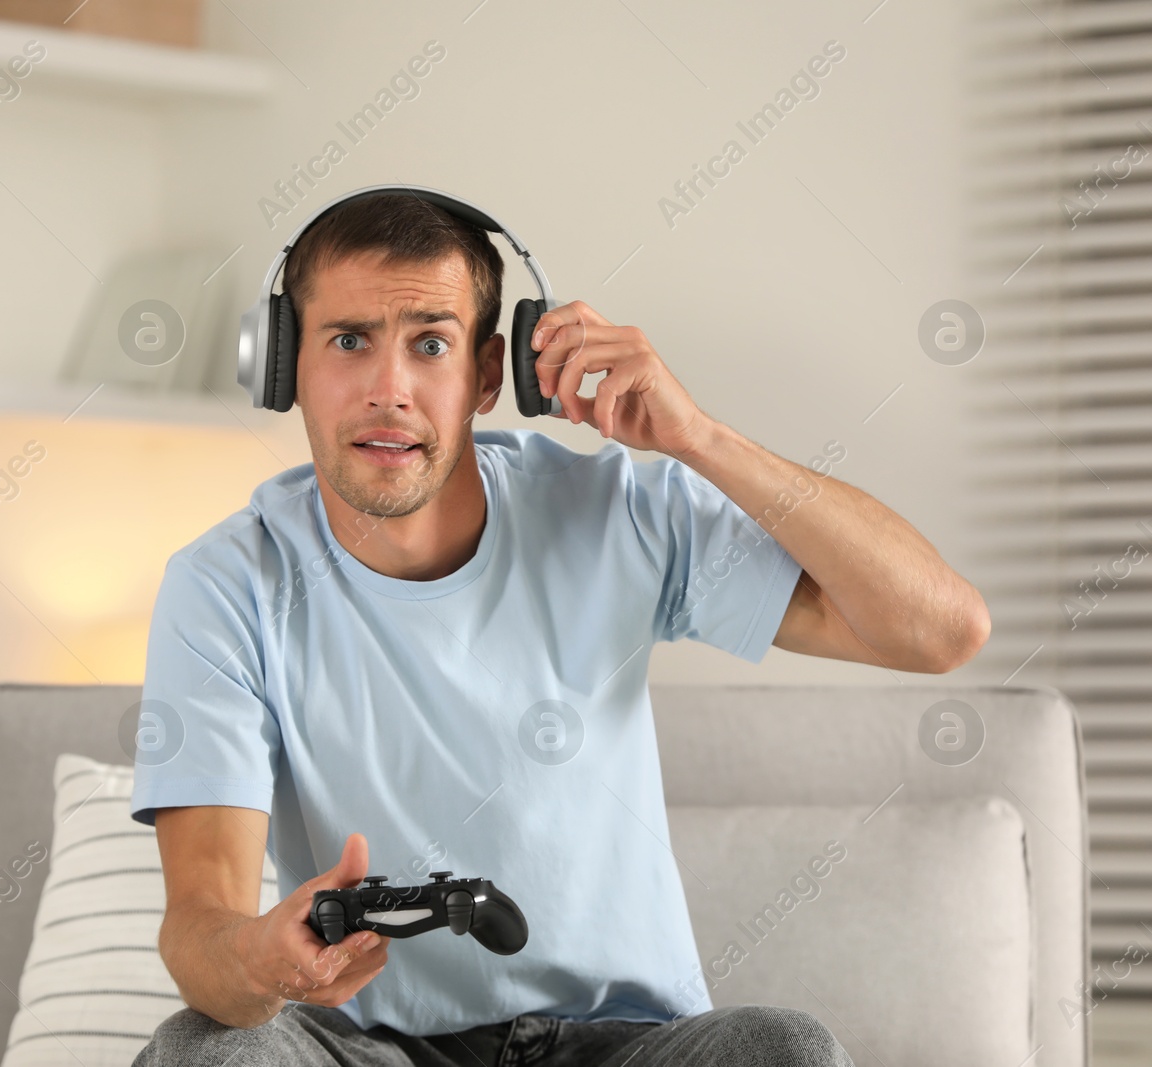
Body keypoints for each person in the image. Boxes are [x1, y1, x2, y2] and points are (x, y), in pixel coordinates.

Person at [127, 191, 990, 1066]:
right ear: (284, 365)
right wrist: (259, 961)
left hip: (625, 1046)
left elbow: (939, 630)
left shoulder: (618, 513)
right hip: (373, 1051)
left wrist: (699, 439)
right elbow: (201, 922)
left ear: (489, 374)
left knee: (784, 1048)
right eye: (349, 341)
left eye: (431, 344)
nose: (389, 389)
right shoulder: (227, 583)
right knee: (206, 1049)